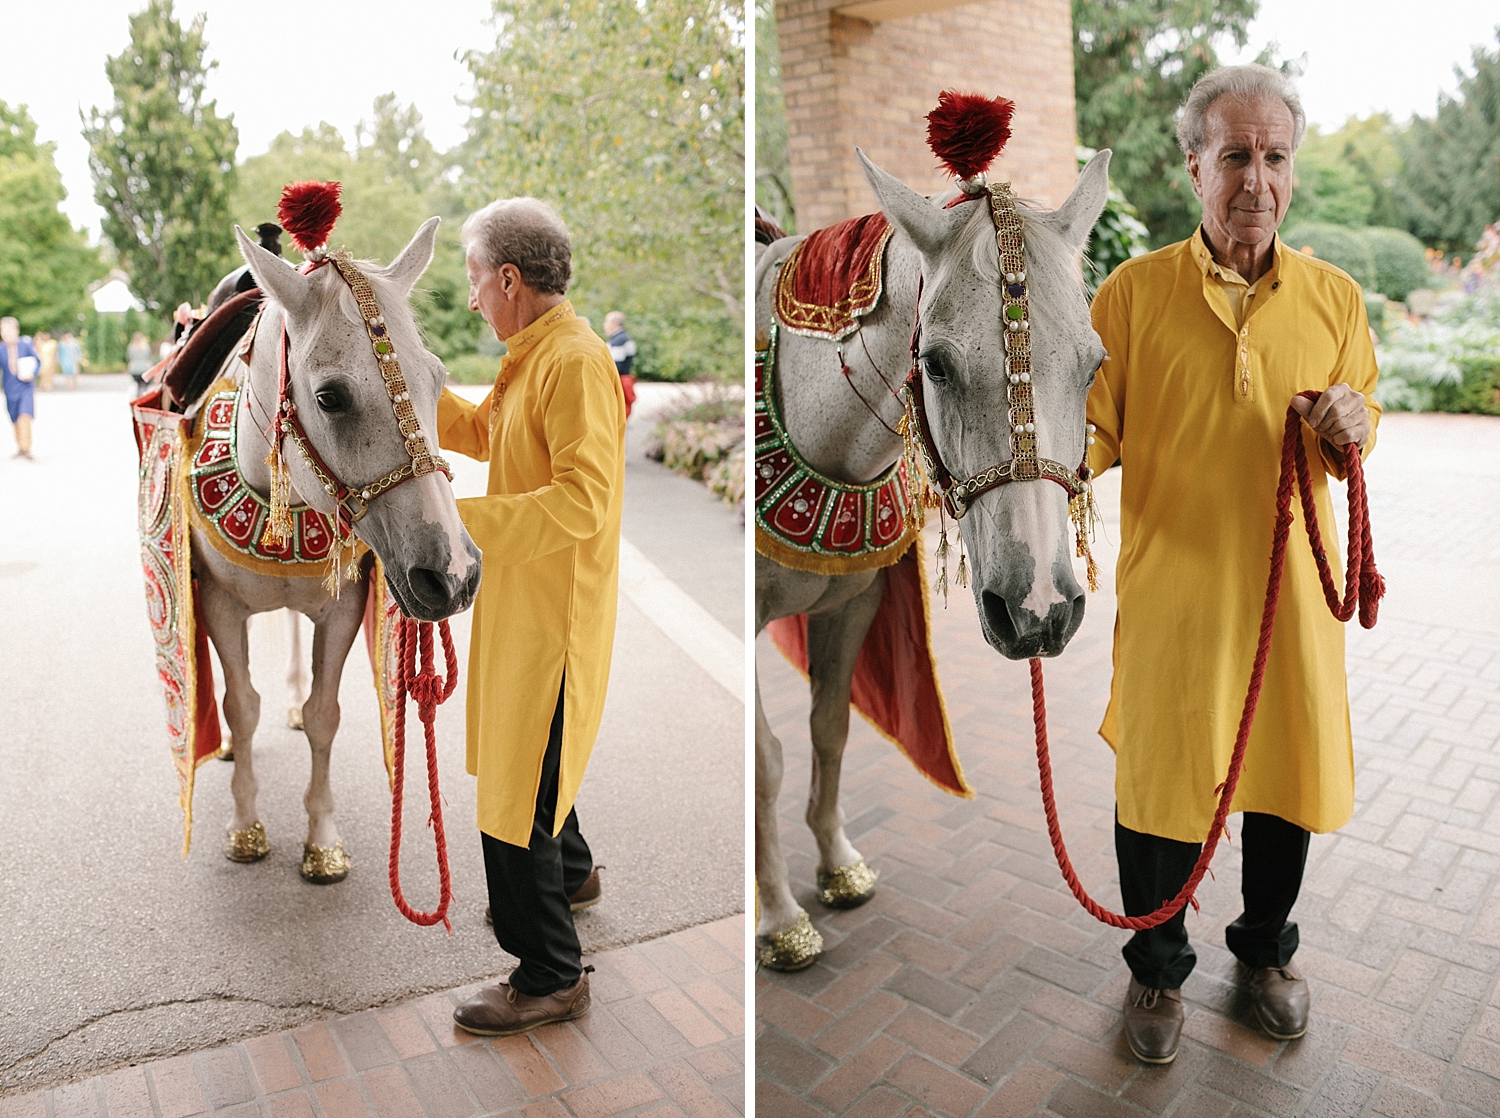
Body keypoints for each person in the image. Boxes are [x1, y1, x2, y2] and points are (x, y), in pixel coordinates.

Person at [1086, 63, 1379, 1065]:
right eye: (1236, 156)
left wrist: (1354, 422)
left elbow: (1362, 421)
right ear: (1193, 165)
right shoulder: (1127, 298)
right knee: (1158, 787)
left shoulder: (1335, 298)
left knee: (1283, 781)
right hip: (1172, 597)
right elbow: (1085, 436)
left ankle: (1262, 954)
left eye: (1275, 156)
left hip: (1287, 596)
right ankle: (1157, 968)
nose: (1256, 179)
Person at [437, 198, 626, 1037]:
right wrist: (412, 389)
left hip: (556, 625)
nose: (472, 296)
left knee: (517, 792)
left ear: (509, 278)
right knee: (529, 763)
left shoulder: (574, 362)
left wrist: (460, 524)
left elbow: (585, 501)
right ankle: (574, 871)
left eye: (476, 280)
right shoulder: (532, 354)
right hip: (525, 604)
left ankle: (548, 971)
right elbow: (483, 432)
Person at [0, 318, 39, 458]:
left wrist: (32, 373)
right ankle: (20, 447)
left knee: (25, 416)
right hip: (10, 389)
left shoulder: (25, 345)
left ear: (16, 330)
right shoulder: (1, 348)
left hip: (25, 387)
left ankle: (26, 447)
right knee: (15, 418)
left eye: (8, 330)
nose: (5, 333)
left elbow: (37, 361)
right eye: (2, 330)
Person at [603, 310, 637, 417]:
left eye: (607, 322)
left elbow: (615, 366)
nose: (605, 326)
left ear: (615, 324)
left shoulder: (619, 341)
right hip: (625, 380)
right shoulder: (624, 338)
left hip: (620, 382)